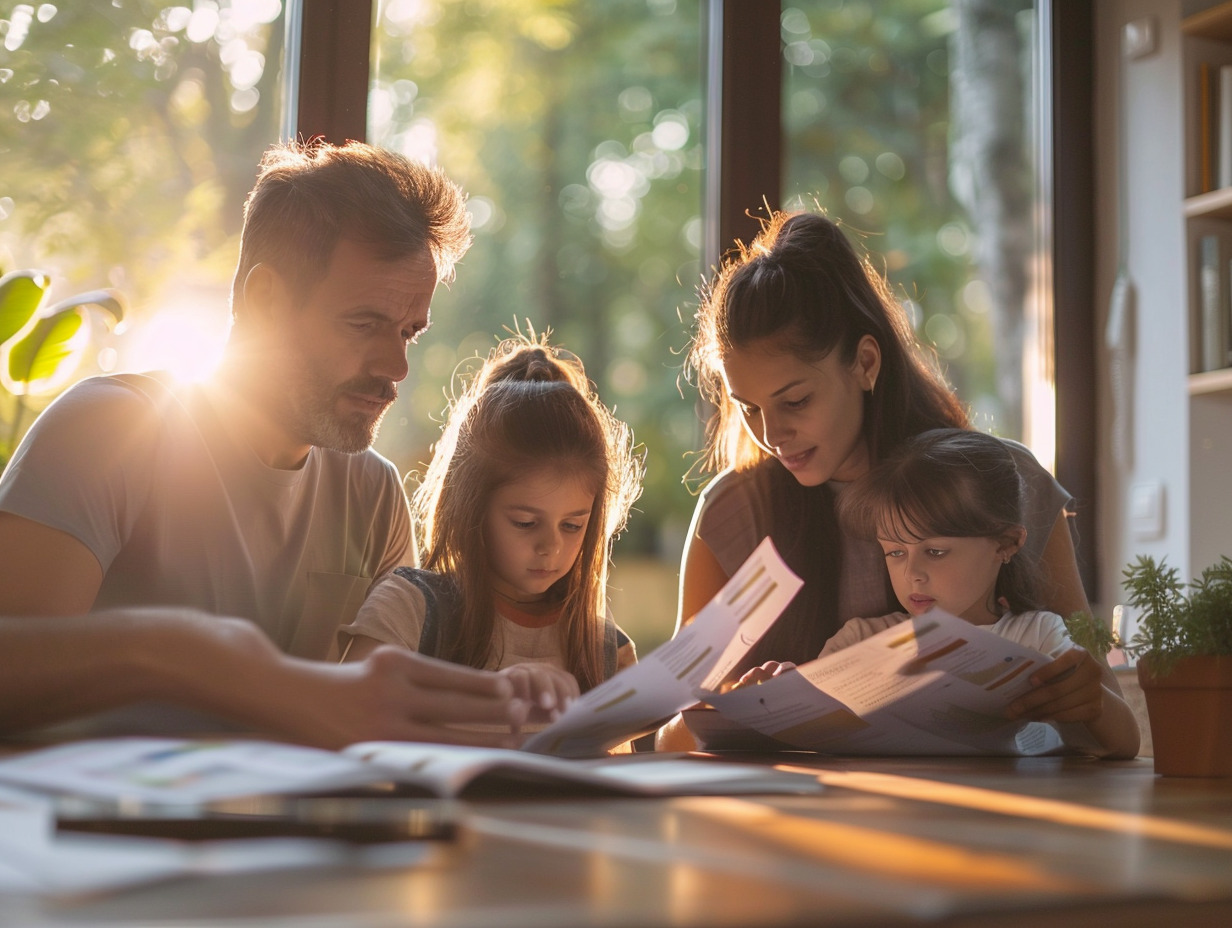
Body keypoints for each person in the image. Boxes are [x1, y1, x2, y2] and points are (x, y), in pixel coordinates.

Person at [0, 139, 525, 745]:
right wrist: (175, 654)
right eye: (364, 324)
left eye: (409, 331)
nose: (396, 366)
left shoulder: (372, 493)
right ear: (265, 300)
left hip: (283, 830)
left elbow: (376, 718)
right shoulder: (109, 432)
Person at [659, 210, 1094, 749]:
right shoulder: (733, 512)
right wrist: (736, 710)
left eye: (795, 401)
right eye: (748, 408)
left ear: (865, 362)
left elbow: (1094, 705)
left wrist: (1077, 697)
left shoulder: (1008, 479)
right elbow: (671, 736)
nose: (773, 434)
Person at [740, 429, 1139, 759]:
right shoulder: (860, 640)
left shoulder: (1038, 637)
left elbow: (1125, 746)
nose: (913, 573)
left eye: (935, 552)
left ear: (1006, 544)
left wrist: (1095, 703)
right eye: (895, 553)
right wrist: (777, 699)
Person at [337, 336, 644, 729]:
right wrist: (490, 696)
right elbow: (344, 719)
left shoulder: (602, 648)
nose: (551, 545)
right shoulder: (409, 609)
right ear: (470, 508)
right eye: (524, 523)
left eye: (573, 525)